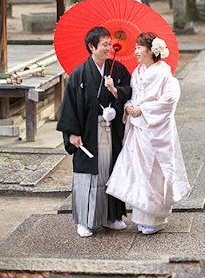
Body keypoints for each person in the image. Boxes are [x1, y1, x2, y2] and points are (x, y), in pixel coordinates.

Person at [106, 32, 190, 234]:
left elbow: (169, 100)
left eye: (138, 47)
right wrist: (124, 101)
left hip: (156, 129)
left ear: (152, 50)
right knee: (140, 171)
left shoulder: (163, 72)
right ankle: (142, 217)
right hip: (139, 128)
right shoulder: (138, 71)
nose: (135, 51)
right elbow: (133, 96)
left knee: (155, 172)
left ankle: (155, 219)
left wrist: (142, 109)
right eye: (135, 47)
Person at [57, 26, 132, 237]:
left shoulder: (118, 70)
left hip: (110, 127)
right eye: (104, 44)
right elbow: (70, 105)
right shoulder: (79, 74)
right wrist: (72, 133)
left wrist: (115, 96)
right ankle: (84, 221)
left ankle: (112, 216)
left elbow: (129, 92)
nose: (109, 48)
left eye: (110, 44)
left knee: (110, 171)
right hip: (88, 131)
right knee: (88, 176)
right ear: (92, 46)